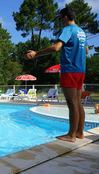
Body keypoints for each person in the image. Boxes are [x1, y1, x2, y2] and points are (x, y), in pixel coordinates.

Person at [24, 7, 89, 142]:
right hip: (80, 70)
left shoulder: (67, 30)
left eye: (60, 18)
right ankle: (80, 133)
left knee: (72, 103)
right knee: (78, 102)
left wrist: (36, 54)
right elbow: (87, 51)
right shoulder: (81, 32)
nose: (60, 21)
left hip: (70, 70)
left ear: (65, 17)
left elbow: (56, 47)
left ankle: (71, 135)